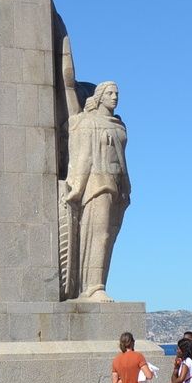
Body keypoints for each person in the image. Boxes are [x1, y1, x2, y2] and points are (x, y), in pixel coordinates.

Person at [61, 82, 130, 300]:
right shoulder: (88, 123)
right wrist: (77, 189)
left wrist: (127, 185)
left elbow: (122, 161)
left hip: (117, 186)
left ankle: (97, 284)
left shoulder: (119, 125)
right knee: (98, 234)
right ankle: (93, 287)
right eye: (109, 93)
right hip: (97, 185)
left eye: (117, 93)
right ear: (99, 97)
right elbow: (84, 157)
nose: (115, 97)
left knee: (109, 236)